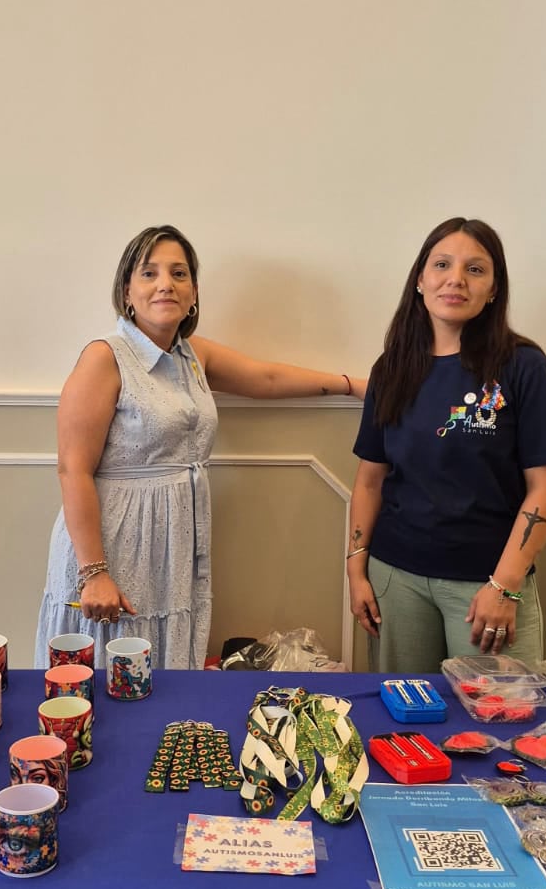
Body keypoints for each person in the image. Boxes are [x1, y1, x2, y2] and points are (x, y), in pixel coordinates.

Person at [34, 225, 366, 670]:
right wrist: (94, 572)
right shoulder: (104, 357)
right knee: (107, 668)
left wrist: (351, 385)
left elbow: (266, 378)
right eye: (149, 273)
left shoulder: (192, 355)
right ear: (127, 292)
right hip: (113, 540)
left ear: (193, 293)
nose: (165, 284)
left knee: (163, 668)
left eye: (179, 273)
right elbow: (73, 469)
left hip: (174, 545)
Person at [348, 217, 546, 674]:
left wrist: (505, 586)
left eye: (475, 269)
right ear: (420, 279)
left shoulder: (524, 367)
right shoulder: (391, 368)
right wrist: (356, 570)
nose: (456, 279)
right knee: (405, 710)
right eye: (442, 265)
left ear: (494, 288)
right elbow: (370, 480)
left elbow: (545, 487)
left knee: (499, 713)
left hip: (487, 585)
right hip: (396, 579)